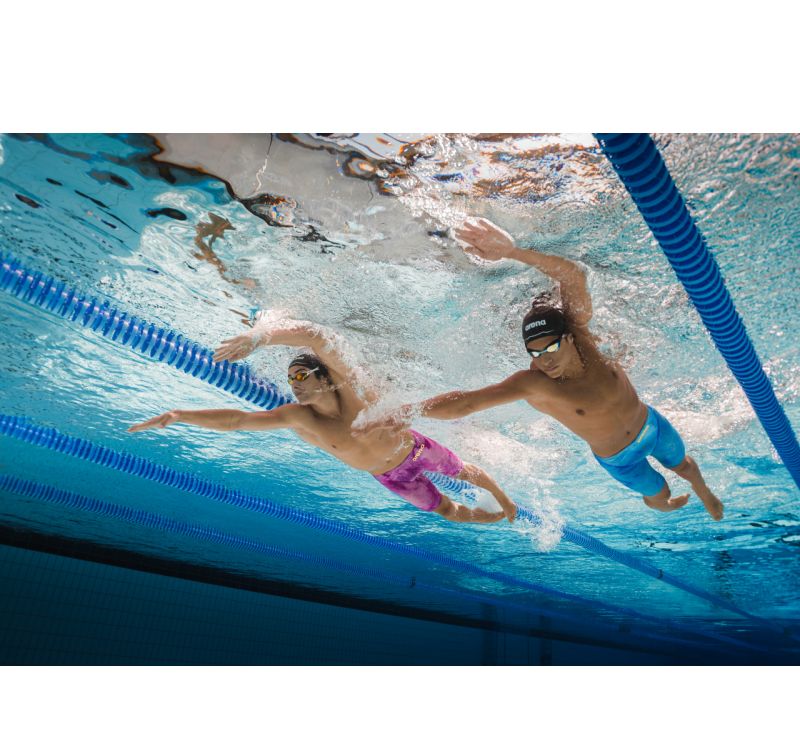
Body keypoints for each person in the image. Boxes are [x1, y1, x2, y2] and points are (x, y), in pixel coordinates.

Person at [357, 218, 724, 520]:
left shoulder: (584, 338)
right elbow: (468, 403)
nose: (544, 360)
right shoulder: (536, 384)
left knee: (686, 467)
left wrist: (511, 252)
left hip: (652, 426)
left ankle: (705, 492)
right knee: (659, 494)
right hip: (619, 458)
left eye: (550, 347)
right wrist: (410, 411)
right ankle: (662, 504)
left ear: (570, 338)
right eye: (534, 353)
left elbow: (573, 276)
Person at [127, 313, 517, 526]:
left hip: (415, 451)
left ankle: (503, 500)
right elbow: (237, 421)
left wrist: (260, 337)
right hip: (389, 477)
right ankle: (489, 519)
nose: (294, 384)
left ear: (325, 378)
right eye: (290, 379)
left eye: (301, 375)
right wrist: (180, 415)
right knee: (446, 511)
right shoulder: (300, 417)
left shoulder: (354, 391)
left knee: (465, 473)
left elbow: (317, 338)